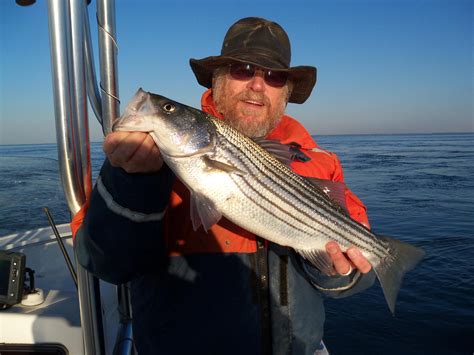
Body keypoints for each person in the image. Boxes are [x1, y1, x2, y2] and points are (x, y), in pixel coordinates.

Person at [73, 17, 375, 355]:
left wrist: (338, 272)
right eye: (243, 69)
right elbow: (104, 264)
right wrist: (130, 181)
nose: (258, 86)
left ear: (286, 93)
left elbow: (354, 278)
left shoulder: (319, 162)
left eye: (274, 77)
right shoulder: (149, 160)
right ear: (217, 80)